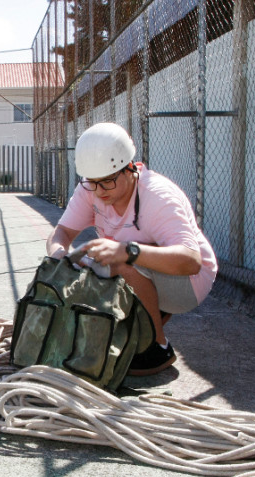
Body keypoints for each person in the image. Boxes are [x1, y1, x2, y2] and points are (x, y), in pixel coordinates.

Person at [46, 122, 217, 375]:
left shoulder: (158, 196)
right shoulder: (90, 189)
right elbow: (62, 233)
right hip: (155, 272)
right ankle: (146, 315)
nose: (99, 191)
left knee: (117, 261)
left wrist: (129, 251)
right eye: (92, 183)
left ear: (129, 169)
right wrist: (60, 256)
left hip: (190, 283)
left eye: (107, 182)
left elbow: (191, 261)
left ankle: (157, 348)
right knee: (91, 264)